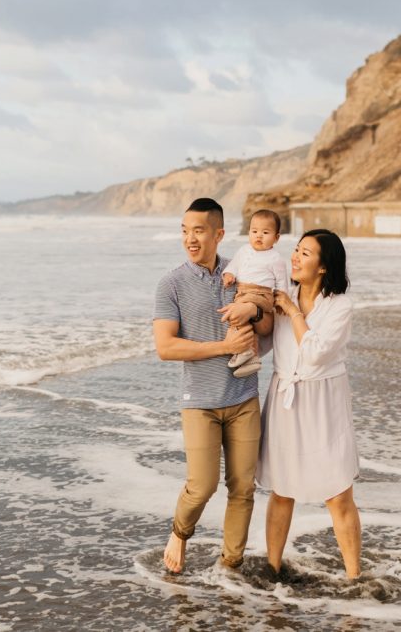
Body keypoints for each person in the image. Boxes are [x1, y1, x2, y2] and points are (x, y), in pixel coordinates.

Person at [152, 198, 274, 574]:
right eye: (185, 231)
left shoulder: (242, 272)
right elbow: (165, 347)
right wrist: (224, 346)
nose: (190, 238)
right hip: (200, 401)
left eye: (199, 231)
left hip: (243, 397)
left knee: (243, 488)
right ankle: (179, 532)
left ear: (219, 234)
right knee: (201, 485)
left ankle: (230, 564)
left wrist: (254, 310)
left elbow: (268, 324)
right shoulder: (171, 284)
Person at [256, 228, 362, 579]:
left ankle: (354, 578)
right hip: (285, 400)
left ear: (322, 266)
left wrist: (292, 311)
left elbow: (315, 355)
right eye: (296, 250)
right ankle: (272, 569)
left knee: (338, 493)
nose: (295, 257)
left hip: (324, 403)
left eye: (305, 252)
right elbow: (262, 344)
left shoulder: (339, 307)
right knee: (282, 490)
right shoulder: (280, 297)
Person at [222, 209, 289, 378]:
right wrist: (229, 274)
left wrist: (282, 301)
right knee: (238, 320)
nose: (259, 236)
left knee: (239, 310)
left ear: (276, 237)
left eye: (265, 232)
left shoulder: (275, 258)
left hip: (262, 294)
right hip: (242, 291)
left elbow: (282, 282)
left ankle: (247, 352)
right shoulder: (243, 250)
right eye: (254, 231)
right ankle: (250, 355)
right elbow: (234, 266)